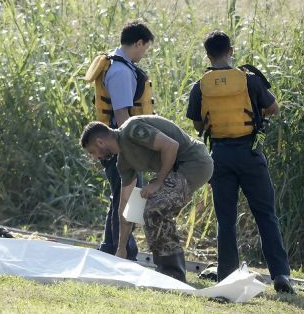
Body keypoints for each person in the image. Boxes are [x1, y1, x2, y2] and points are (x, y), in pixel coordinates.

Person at [186, 31, 294, 293]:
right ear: (230, 50)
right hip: (250, 153)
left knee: (225, 219)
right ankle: (280, 275)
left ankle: (227, 274)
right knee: (266, 214)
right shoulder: (249, 79)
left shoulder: (200, 86)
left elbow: (198, 124)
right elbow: (274, 107)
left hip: (220, 156)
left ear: (207, 55)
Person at [80, 115, 214, 282]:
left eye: (93, 152)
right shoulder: (123, 162)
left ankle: (173, 275)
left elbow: (171, 146)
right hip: (176, 170)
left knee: (154, 207)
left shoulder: (132, 129)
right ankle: (167, 272)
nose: (95, 157)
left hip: (194, 162)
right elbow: (125, 205)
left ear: (100, 142)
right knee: (146, 208)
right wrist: (121, 248)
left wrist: (158, 182)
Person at [83, 21, 155, 260]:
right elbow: (123, 116)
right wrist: (133, 149)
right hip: (120, 144)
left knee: (121, 196)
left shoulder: (115, 63)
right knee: (127, 197)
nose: (144, 53)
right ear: (138, 43)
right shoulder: (122, 71)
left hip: (117, 142)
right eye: (144, 48)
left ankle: (112, 246)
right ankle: (119, 249)